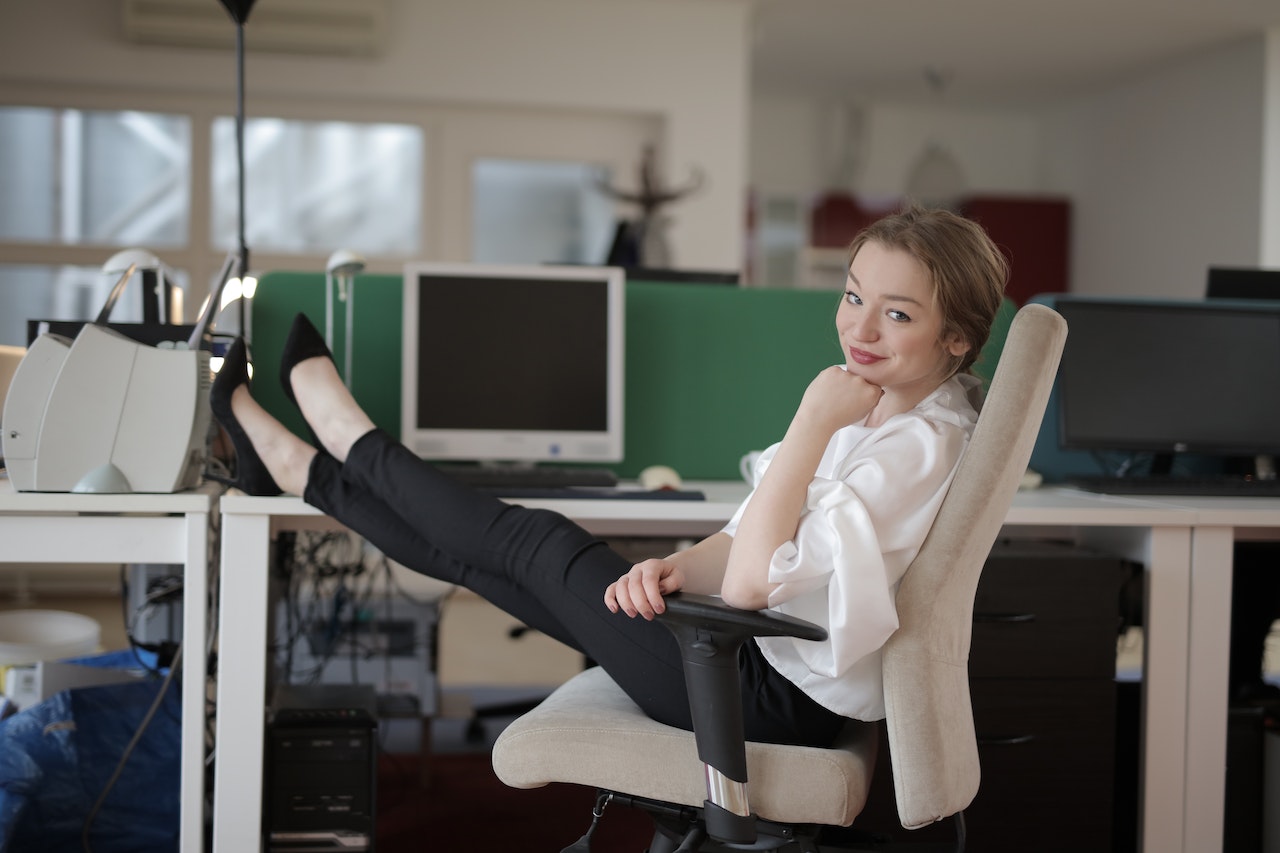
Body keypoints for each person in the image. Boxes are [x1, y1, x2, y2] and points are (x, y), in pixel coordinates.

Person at [208, 204, 1007, 749]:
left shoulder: (914, 445)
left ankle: (348, 436)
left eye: (897, 314)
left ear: (959, 341)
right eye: (853, 295)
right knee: (479, 560)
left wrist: (809, 420)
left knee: (532, 538)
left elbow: (756, 585)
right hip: (756, 662)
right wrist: (678, 566)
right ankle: (301, 466)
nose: (860, 327)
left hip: (768, 697)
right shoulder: (885, 408)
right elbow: (749, 537)